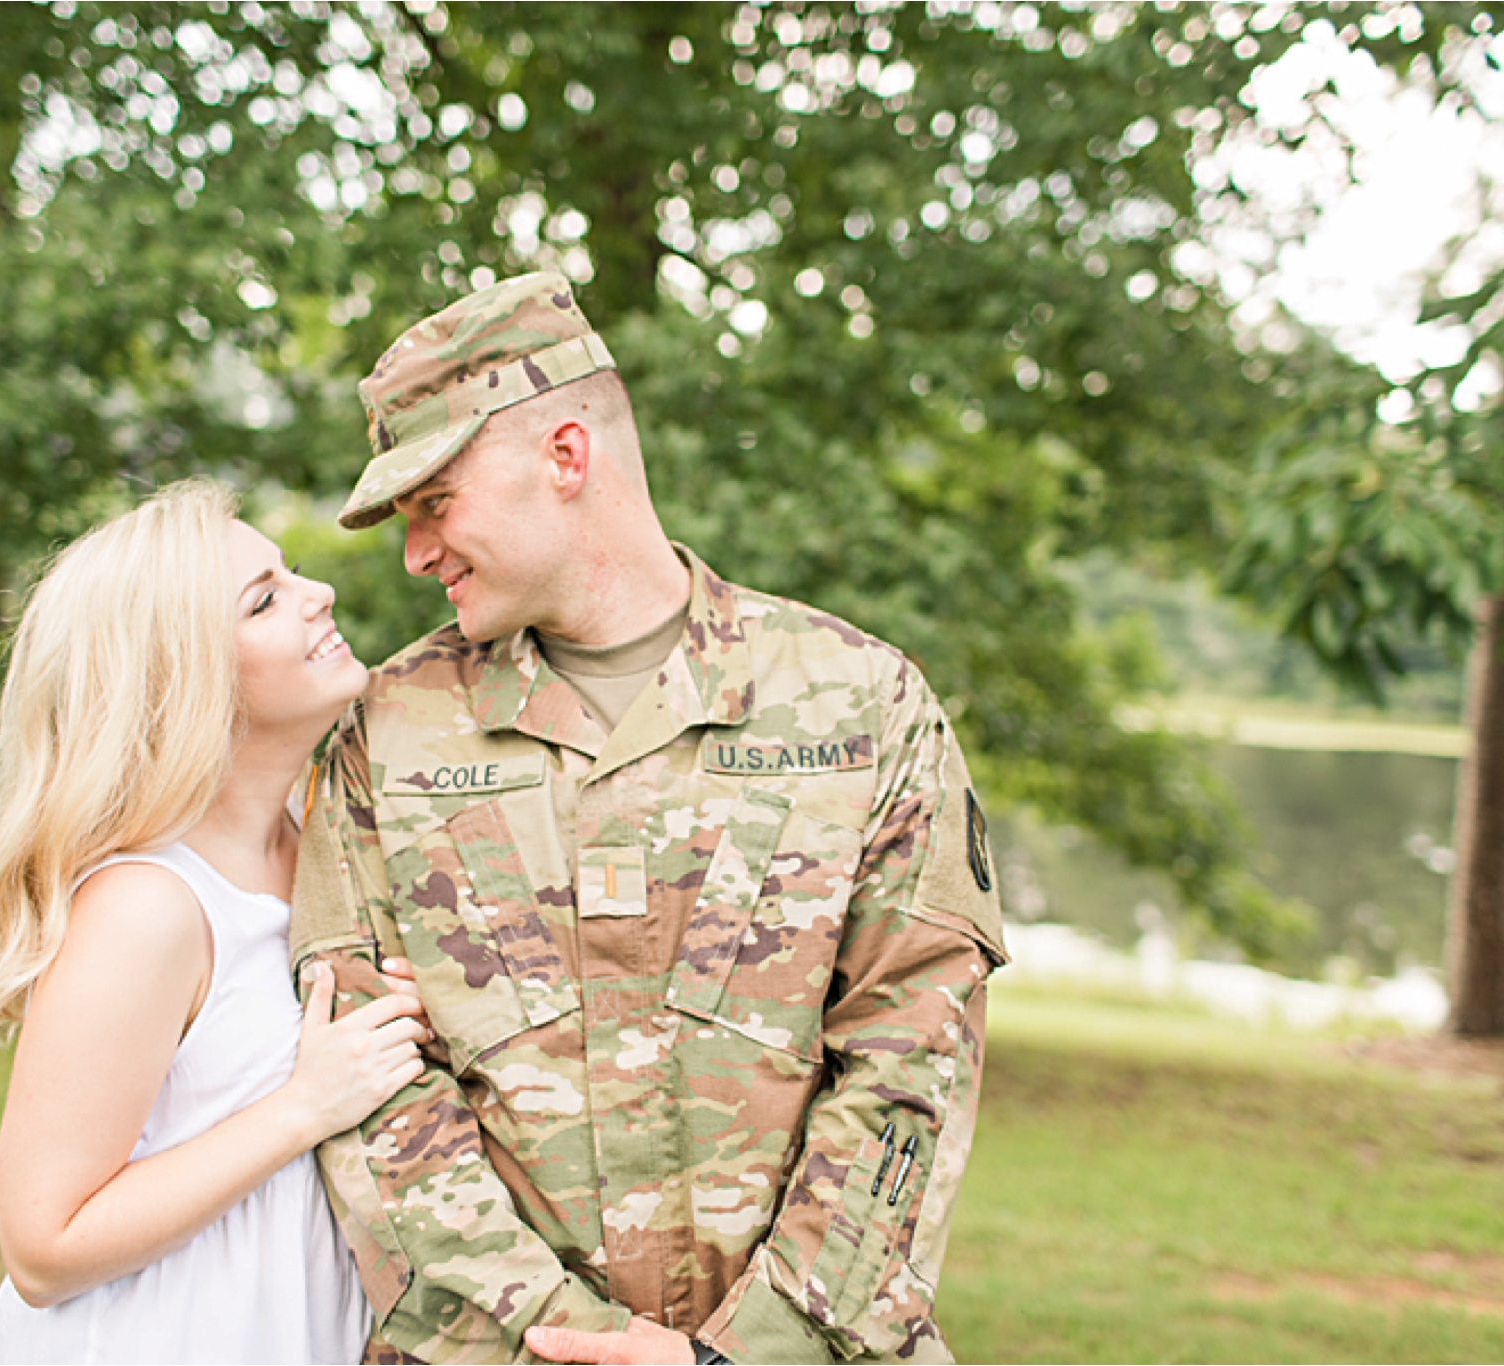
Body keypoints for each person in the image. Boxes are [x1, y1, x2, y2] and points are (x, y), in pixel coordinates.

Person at [288, 274, 1009, 1365]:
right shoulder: (383, 736)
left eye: (434, 503)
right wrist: (556, 1342)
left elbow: (914, 1057)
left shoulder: (861, 702)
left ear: (564, 457)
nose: (413, 553)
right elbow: (366, 1093)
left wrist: (748, 1351)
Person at [0, 479, 431, 1364]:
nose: (316, 594)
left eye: (288, 574)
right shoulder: (147, 909)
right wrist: (303, 1107)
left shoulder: (327, 852)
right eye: (265, 599)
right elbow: (43, 1249)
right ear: (184, 678)